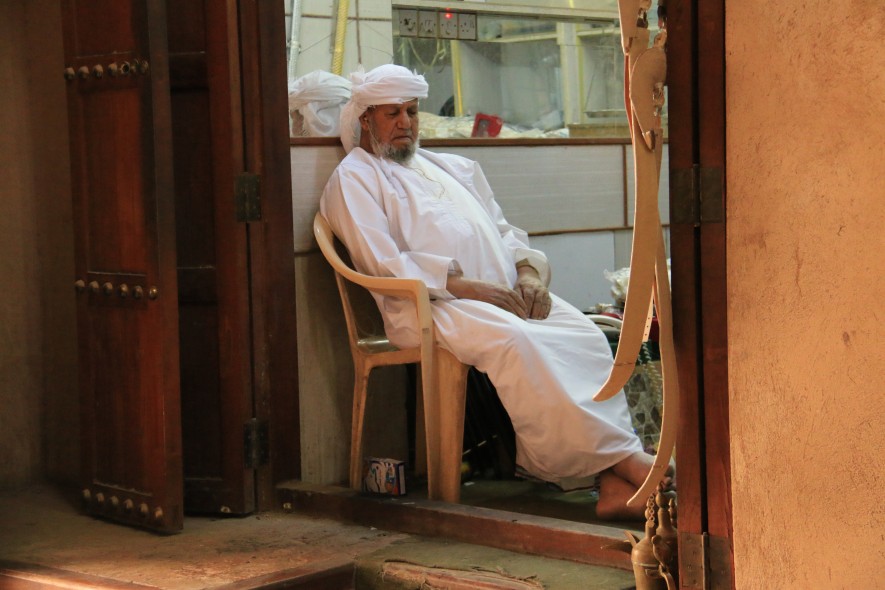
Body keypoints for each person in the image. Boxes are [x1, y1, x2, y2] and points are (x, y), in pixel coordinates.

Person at [320, 64, 670, 520]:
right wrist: (463, 286)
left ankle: (610, 484)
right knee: (520, 342)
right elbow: (379, 260)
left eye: (412, 111)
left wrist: (528, 274)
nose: (405, 122)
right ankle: (625, 464)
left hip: (504, 294)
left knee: (583, 335)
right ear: (366, 119)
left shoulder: (450, 166)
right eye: (392, 114)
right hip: (430, 307)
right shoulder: (353, 178)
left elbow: (505, 231)